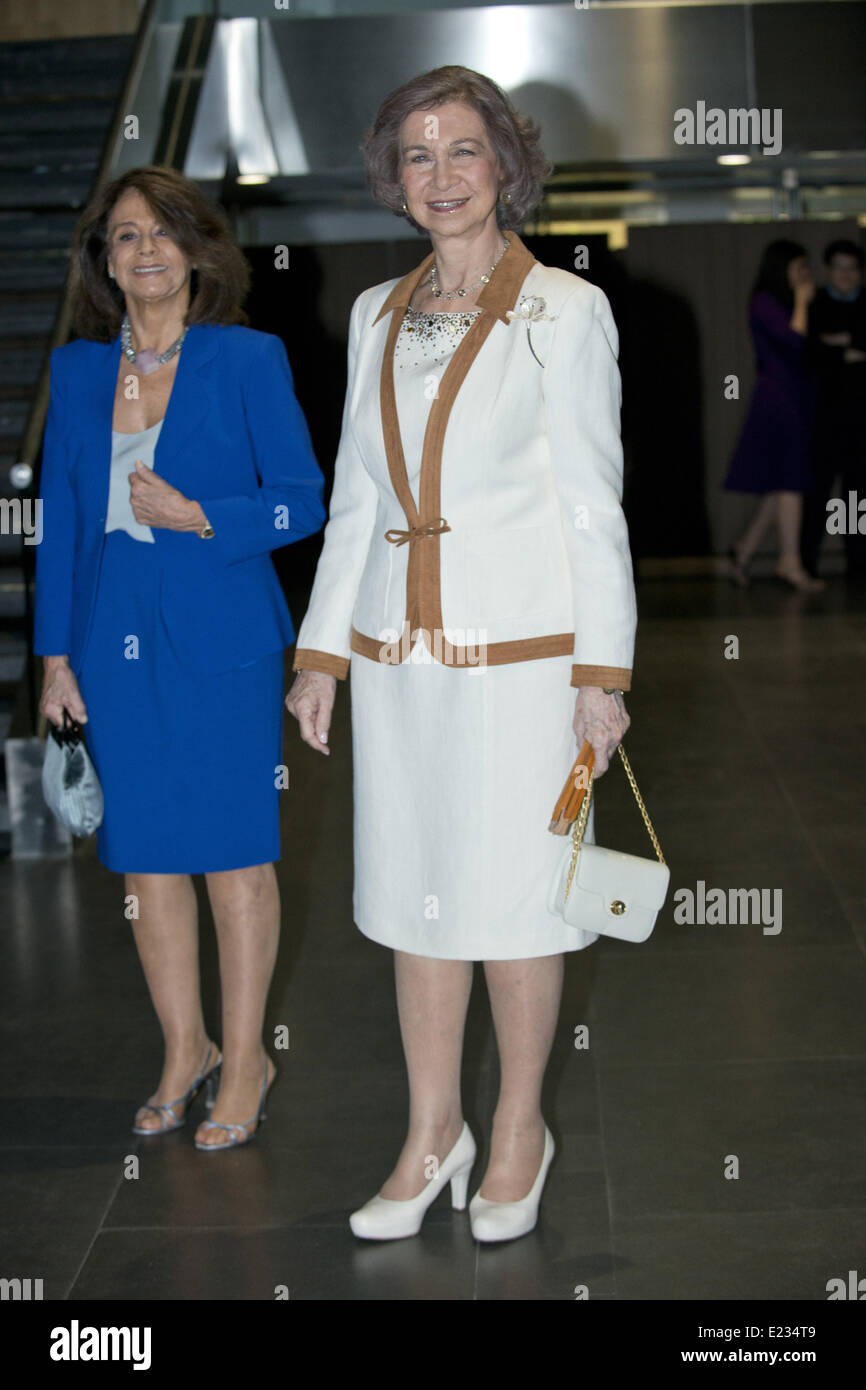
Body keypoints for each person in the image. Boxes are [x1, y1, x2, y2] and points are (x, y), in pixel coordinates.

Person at [285, 66, 635, 1243]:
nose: (439, 175)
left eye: (463, 151)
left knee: (521, 906)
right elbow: (352, 500)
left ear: (505, 167)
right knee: (410, 898)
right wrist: (322, 653)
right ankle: (433, 1131)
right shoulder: (373, 315)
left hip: (527, 665)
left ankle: (519, 1124)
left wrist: (602, 675)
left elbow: (592, 505)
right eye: (417, 154)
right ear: (394, 177)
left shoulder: (564, 312)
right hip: (399, 662)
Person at [34, 166, 325, 1150]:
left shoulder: (246, 359)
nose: (143, 249)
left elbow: (302, 498)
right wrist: (54, 655)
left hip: (220, 632)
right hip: (110, 634)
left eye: (162, 232)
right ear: (103, 262)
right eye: (123, 235)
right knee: (145, 859)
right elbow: (64, 522)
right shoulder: (76, 372)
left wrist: (202, 515)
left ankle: (245, 1056)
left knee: (234, 856)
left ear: (198, 252)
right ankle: (184, 1048)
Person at [725, 239, 824, 591]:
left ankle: (745, 549)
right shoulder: (765, 301)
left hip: (795, 397)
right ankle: (790, 562)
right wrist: (801, 301)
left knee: (782, 483)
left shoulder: (781, 301)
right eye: (799, 267)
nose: (805, 274)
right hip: (779, 399)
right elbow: (794, 343)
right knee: (790, 482)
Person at [801, 239, 866, 580]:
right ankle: (806, 562)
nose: (846, 274)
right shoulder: (817, 304)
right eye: (840, 267)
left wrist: (838, 343)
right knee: (818, 493)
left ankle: (858, 563)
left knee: (857, 496)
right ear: (829, 269)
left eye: (852, 268)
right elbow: (812, 354)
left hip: (860, 417)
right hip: (823, 415)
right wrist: (848, 347)